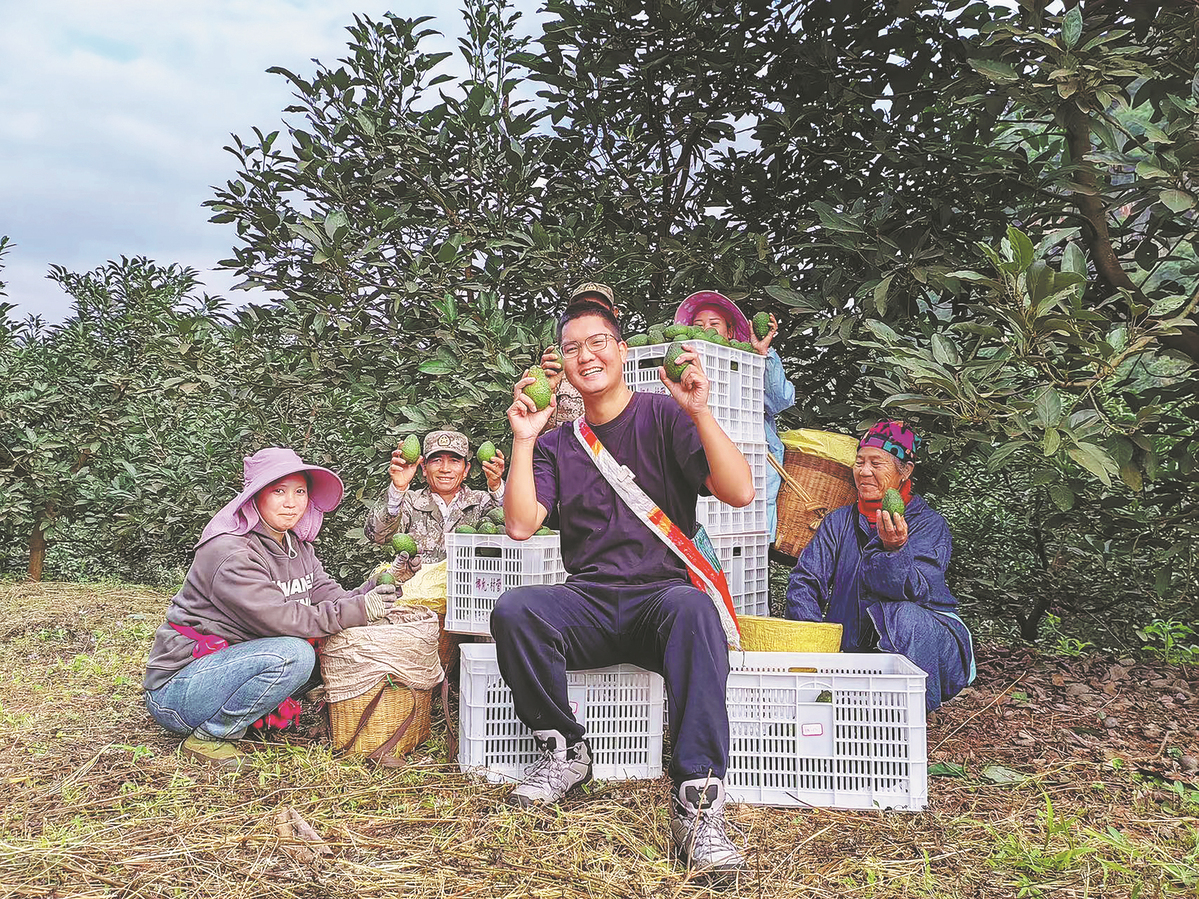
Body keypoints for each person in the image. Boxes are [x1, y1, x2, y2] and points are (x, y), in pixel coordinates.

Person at [494, 302, 755, 877]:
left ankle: (698, 800)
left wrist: (701, 412)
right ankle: (565, 749)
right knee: (516, 609)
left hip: (660, 600)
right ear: (559, 365)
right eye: (572, 347)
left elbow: (738, 492)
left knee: (694, 609)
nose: (587, 354)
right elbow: (520, 525)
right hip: (589, 601)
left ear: (621, 349)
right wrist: (522, 439)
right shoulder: (559, 444)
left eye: (599, 341)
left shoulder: (664, 415)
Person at [144, 447, 409, 771]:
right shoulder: (230, 551)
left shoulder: (296, 546)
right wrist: (359, 609)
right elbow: (280, 619)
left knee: (327, 641)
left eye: (300, 491)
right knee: (296, 654)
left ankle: (248, 714)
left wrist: (383, 582)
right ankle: (211, 735)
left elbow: (332, 598)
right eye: (278, 491)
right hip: (178, 689)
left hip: (233, 666)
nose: (292, 502)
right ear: (255, 497)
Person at [783, 421, 976, 712]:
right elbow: (805, 582)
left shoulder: (929, 525)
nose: (864, 471)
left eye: (876, 463)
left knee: (904, 615)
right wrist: (816, 644)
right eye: (859, 462)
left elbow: (912, 591)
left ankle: (907, 716)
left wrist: (894, 550)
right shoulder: (839, 522)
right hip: (851, 651)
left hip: (927, 647)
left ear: (905, 472)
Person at [673, 291, 796, 541]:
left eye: (714, 324)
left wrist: (763, 355)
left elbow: (781, 400)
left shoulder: (747, 362)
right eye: (698, 325)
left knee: (749, 547)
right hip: (704, 477)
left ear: (729, 331)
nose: (706, 328)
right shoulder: (681, 368)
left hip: (752, 475)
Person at [364, 429, 506, 563]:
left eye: (454, 461)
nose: (445, 469)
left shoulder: (481, 502)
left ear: (466, 469)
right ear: (424, 468)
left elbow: (514, 528)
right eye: (436, 460)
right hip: (418, 588)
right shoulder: (409, 502)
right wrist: (398, 488)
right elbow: (377, 535)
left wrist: (496, 486)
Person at [540, 282, 620, 428]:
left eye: (597, 309)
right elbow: (541, 434)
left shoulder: (638, 360)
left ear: (614, 313)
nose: (588, 314)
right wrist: (545, 391)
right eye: (582, 308)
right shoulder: (561, 366)